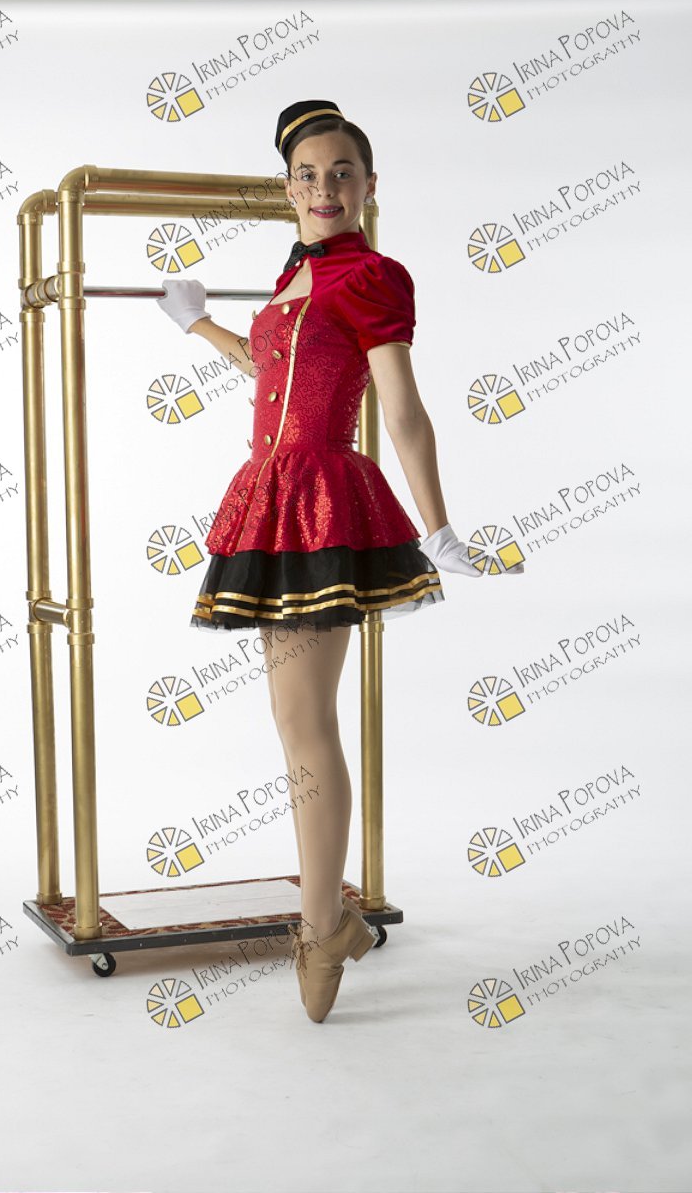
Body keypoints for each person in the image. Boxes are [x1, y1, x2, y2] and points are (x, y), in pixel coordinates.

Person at [156, 98, 523, 1023]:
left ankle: (322, 927)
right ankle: (334, 921)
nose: (325, 188)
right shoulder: (292, 276)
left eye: (342, 173)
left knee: (307, 722)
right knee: (295, 722)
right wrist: (197, 326)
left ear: (368, 185)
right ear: (288, 188)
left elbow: (401, 409)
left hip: (321, 502)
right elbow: (275, 372)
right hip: (270, 498)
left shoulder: (373, 276)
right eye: (308, 175)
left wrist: (439, 527)